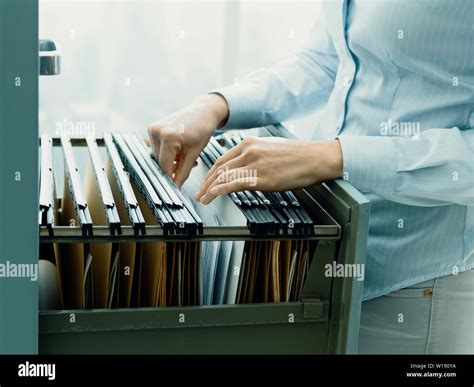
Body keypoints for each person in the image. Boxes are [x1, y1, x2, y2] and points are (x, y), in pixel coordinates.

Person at [148, 0, 474, 354]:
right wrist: (215, 106)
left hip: (414, 290)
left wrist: (331, 156)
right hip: (326, 254)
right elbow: (327, 60)